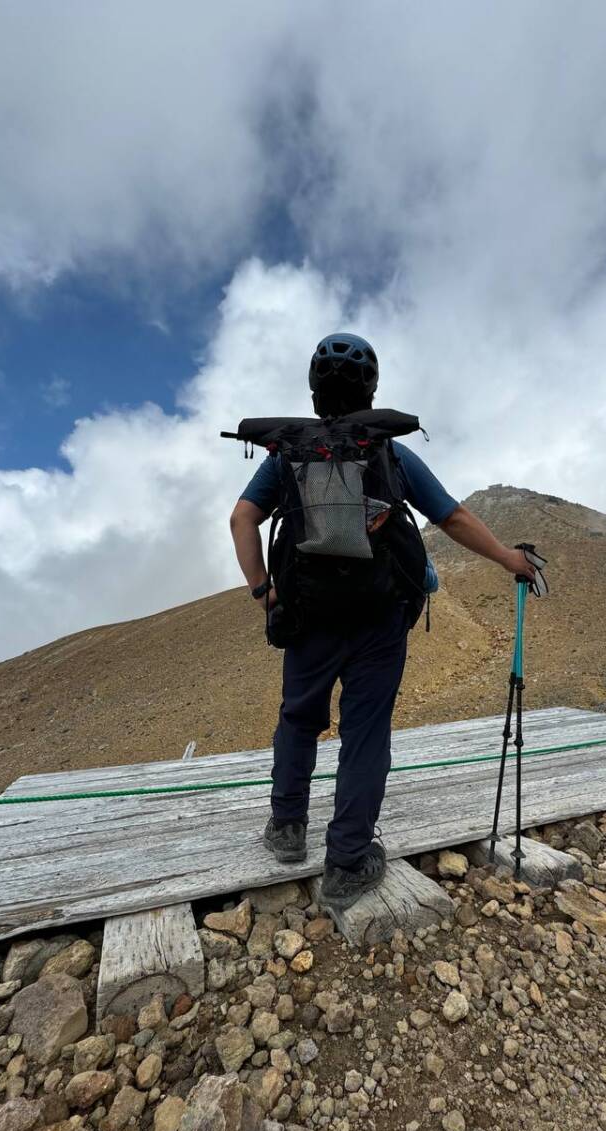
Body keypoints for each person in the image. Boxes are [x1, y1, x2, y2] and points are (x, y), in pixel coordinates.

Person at [229, 332, 537, 908]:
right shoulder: (388, 452)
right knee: (364, 735)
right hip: (379, 619)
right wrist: (508, 559)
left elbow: (242, 519)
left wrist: (263, 593)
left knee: (299, 720)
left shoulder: (288, 457)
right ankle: (347, 861)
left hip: (307, 618)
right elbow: (452, 515)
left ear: (314, 391)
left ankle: (287, 830)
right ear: (372, 390)